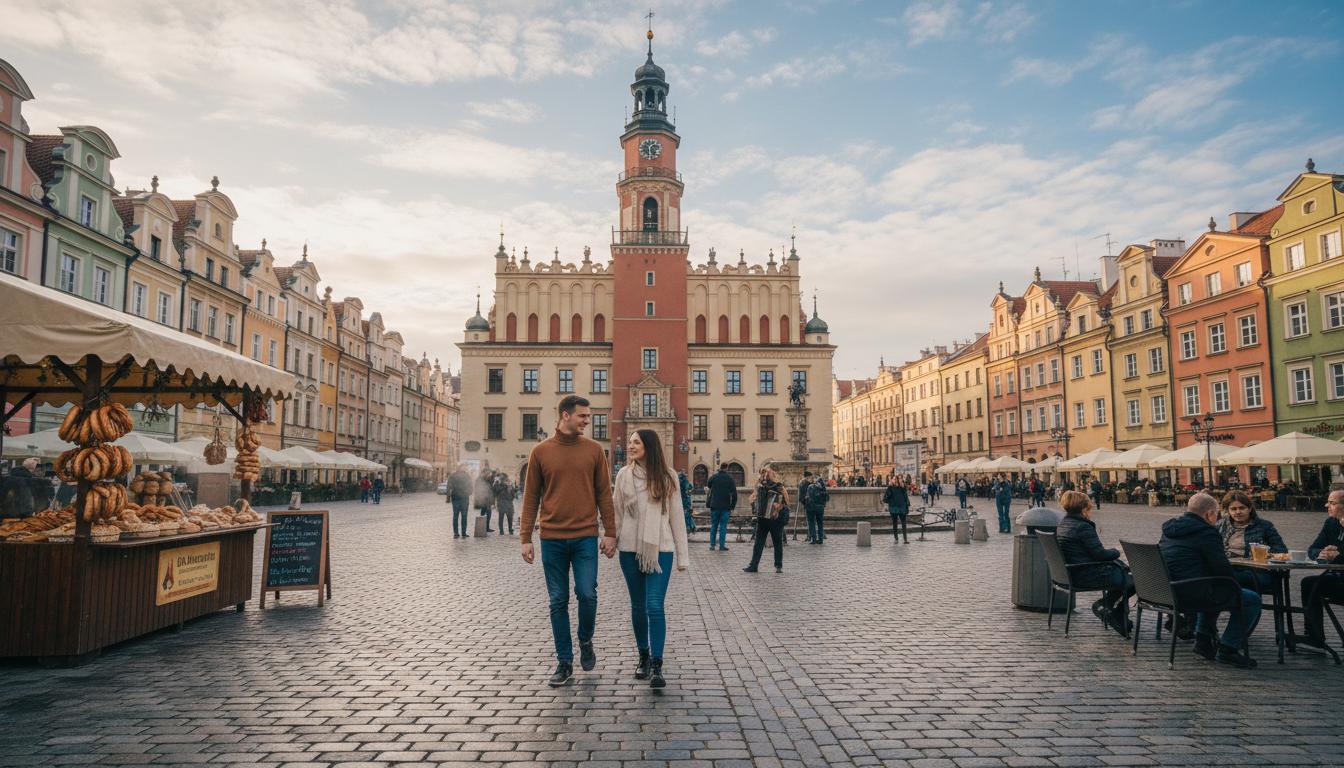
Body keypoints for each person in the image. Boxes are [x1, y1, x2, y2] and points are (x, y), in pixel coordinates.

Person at [520, 395, 617, 687]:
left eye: (588, 416)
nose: (588, 420)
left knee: (587, 594)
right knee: (557, 601)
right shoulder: (540, 452)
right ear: (565, 415)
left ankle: (585, 639)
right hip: (552, 538)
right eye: (583, 416)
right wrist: (525, 537)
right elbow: (531, 497)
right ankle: (564, 662)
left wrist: (610, 532)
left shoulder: (594, 450)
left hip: (586, 536)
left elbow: (604, 494)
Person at [613, 429, 689, 689]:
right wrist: (611, 538)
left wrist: (682, 556)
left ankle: (657, 663)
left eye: (636, 442)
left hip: (661, 549)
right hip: (629, 549)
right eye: (630, 442)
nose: (630, 446)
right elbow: (617, 512)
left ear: (649, 446)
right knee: (638, 606)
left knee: (654, 605)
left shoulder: (668, 476)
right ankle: (643, 655)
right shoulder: (623, 476)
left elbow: (677, 516)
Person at [1159, 492, 1260, 668]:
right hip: (1190, 594)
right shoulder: (1207, 532)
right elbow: (1222, 569)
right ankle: (1228, 648)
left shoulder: (1169, 530)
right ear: (1209, 514)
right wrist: (1235, 585)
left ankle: (1203, 640)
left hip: (1166, 592)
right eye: (1216, 514)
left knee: (1214, 586)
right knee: (1250, 599)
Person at [1055, 490, 1134, 636]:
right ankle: (1108, 607)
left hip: (1070, 574)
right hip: (1087, 574)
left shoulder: (1063, 524)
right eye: (1089, 508)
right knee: (1134, 579)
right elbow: (1100, 555)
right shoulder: (1083, 526)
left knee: (1126, 573)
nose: (1090, 512)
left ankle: (1110, 608)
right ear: (1083, 509)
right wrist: (1117, 551)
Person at [1215, 490, 1286, 594]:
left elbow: (1281, 549)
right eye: (1233, 509)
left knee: (1229, 579)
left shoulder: (1264, 526)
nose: (1238, 512)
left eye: (1242, 508)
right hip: (1229, 568)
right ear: (1228, 511)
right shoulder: (1220, 526)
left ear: (1250, 508)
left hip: (1258, 571)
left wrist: (1263, 553)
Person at [1300, 489, 1344, 648]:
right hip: (1338, 578)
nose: (1327, 506)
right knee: (1309, 583)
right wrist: (1322, 552)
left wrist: (1338, 556)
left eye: (1332, 503)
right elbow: (1312, 549)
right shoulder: (1331, 523)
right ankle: (1315, 636)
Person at [743, 467, 790, 574]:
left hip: (763, 518)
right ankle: (778, 566)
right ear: (773, 476)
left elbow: (752, 498)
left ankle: (753, 566)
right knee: (777, 542)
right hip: (775, 518)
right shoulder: (779, 486)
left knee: (759, 543)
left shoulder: (760, 486)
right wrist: (780, 506)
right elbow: (787, 500)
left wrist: (754, 505)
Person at [706, 463, 737, 551]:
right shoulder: (730, 479)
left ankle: (712, 545)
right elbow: (734, 494)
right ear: (727, 468)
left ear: (720, 468)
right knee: (723, 527)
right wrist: (732, 506)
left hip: (714, 505)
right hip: (725, 506)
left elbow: (708, 485)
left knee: (714, 526)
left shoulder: (714, 477)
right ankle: (721, 545)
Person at [883, 475, 911, 543]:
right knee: (895, 523)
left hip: (902, 507)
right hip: (893, 507)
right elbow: (885, 498)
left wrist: (907, 506)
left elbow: (905, 497)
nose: (895, 480)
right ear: (892, 480)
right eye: (894, 479)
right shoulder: (890, 488)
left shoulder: (902, 487)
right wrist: (889, 491)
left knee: (903, 523)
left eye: (896, 479)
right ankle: (896, 539)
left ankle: (905, 539)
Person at [447, 464, 471, 538]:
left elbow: (470, 486)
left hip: (460, 498)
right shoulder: (464, 475)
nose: (465, 468)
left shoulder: (454, 475)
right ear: (460, 468)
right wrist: (448, 497)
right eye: (464, 467)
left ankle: (459, 533)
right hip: (460, 498)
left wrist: (448, 498)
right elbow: (449, 486)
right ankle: (459, 533)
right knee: (459, 516)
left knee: (460, 516)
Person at [805, 474, 829, 544]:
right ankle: (821, 539)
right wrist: (823, 505)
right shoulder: (823, 489)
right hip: (820, 508)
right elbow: (826, 499)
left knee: (811, 523)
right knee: (820, 523)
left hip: (811, 508)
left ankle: (814, 539)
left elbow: (808, 496)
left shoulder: (810, 487)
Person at [799, 472, 817, 543]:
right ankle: (811, 536)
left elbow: (801, 496)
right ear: (808, 477)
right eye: (811, 477)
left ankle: (811, 537)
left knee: (810, 522)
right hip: (812, 504)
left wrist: (803, 502)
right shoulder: (810, 484)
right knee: (812, 521)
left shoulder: (803, 484)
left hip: (808, 505)